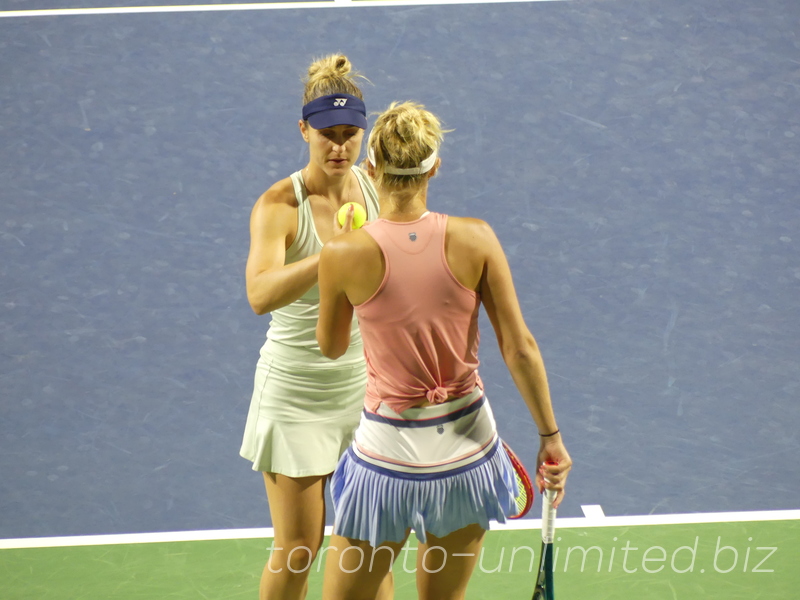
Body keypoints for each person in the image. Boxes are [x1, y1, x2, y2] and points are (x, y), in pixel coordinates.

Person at [315, 101, 572, 600]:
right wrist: (550, 438)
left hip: (385, 466)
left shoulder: (342, 253)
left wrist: (341, 267)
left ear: (372, 168)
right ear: (435, 165)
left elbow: (330, 347)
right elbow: (519, 348)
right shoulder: (477, 239)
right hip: (466, 461)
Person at [239, 55, 387, 600]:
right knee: (299, 547)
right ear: (304, 129)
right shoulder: (279, 205)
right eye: (327, 134)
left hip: (362, 391)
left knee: (373, 543)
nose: (340, 147)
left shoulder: (375, 187)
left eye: (351, 134)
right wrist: (329, 257)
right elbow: (259, 294)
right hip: (294, 394)